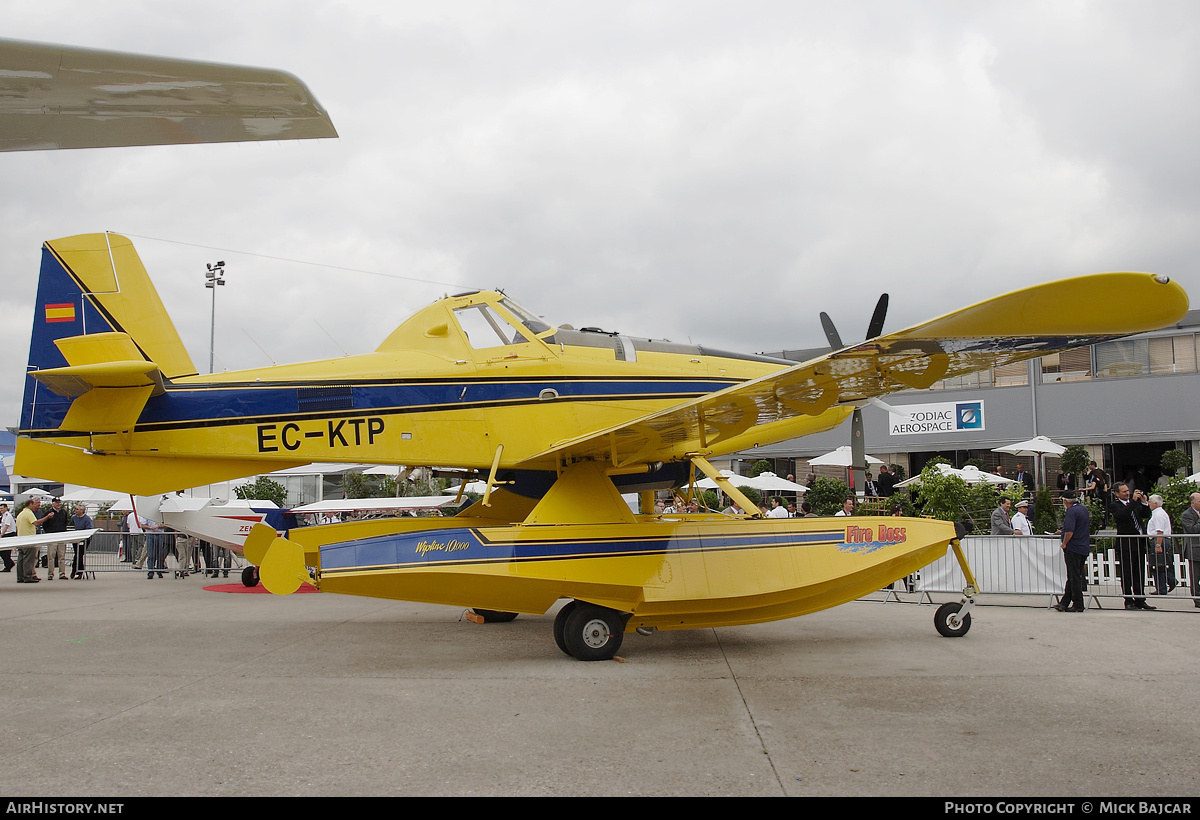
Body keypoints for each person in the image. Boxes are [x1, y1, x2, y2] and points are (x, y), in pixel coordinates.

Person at [1108, 482, 1153, 610]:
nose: (1128, 493)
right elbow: (1122, 515)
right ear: (1117, 494)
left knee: (1139, 571)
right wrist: (1133, 502)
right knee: (1126, 572)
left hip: (1138, 542)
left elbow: (1145, 515)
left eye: (1128, 491)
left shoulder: (1134, 503)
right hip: (1126, 543)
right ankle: (1128, 599)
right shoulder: (1114, 505)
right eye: (1124, 492)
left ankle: (1140, 599)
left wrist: (1144, 503)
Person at [1055, 491, 1090, 612]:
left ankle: (1078, 603)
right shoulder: (1083, 509)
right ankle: (1064, 602)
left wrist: (1064, 543)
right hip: (1083, 546)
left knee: (1074, 576)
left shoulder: (1071, 511)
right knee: (1075, 575)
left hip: (1073, 546)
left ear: (1065, 501)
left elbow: (1070, 530)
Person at [1146, 494, 1177, 595]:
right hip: (1161, 540)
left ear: (1155, 503)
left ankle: (1163, 586)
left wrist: (1158, 545)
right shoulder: (1159, 513)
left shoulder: (1158, 514)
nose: (1148, 503)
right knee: (1159, 564)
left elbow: (1160, 531)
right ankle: (1166, 583)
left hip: (1159, 540)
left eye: (1150, 501)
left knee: (1157, 564)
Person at [15, 498, 52, 583]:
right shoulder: (29, 513)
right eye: (34, 504)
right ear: (30, 504)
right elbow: (36, 522)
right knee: (29, 559)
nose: (35, 506)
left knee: (21, 558)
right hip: (28, 539)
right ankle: (27, 576)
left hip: (20, 538)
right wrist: (47, 517)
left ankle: (20, 577)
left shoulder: (21, 514)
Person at [41, 498, 70, 580]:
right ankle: (50, 574)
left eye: (59, 502)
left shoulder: (63, 512)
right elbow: (45, 524)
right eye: (56, 503)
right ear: (53, 504)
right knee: (51, 556)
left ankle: (62, 573)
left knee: (62, 556)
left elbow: (65, 523)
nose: (58, 504)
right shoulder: (49, 512)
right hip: (52, 536)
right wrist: (49, 533)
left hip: (61, 535)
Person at [1180, 492, 1200, 609]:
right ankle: (1197, 599)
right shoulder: (1186, 515)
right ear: (1193, 503)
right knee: (1195, 575)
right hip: (1194, 549)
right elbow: (1193, 530)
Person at [70, 503, 93, 579]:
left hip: (84, 539)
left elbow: (88, 528)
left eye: (77, 509)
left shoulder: (87, 519)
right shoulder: (74, 518)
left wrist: (83, 535)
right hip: (76, 538)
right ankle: (77, 570)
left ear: (82, 511)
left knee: (80, 554)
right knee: (77, 554)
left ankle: (76, 570)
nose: (75, 511)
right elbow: (74, 525)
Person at [0, 503, 15, 572]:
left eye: (2, 508)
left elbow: (6, 525)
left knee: (5, 551)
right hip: (5, 533)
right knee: (3, 551)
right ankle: (10, 563)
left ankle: (8, 566)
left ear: (6, 508)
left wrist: (2, 534)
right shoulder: (3, 516)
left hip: (9, 534)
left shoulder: (8, 515)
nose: (1, 510)